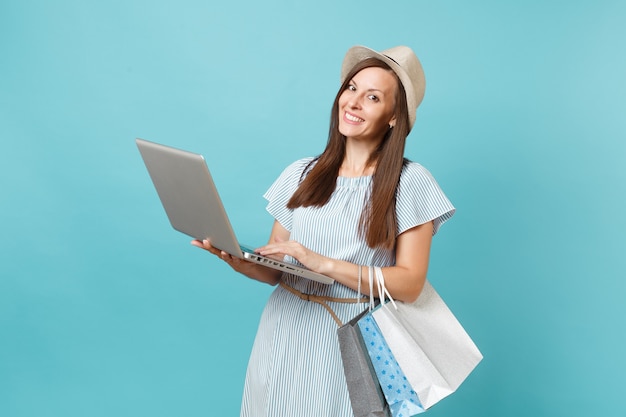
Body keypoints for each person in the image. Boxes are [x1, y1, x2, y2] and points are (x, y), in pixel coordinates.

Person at [192, 45, 455, 417]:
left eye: (373, 97)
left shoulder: (410, 182)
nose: (354, 102)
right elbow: (276, 265)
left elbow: (410, 284)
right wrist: (240, 262)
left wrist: (323, 264)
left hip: (347, 340)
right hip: (282, 330)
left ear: (394, 116)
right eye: (351, 88)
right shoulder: (302, 173)